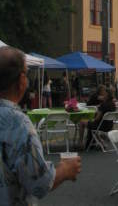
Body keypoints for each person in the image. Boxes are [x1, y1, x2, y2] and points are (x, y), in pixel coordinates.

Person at [0, 46, 81, 205]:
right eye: (27, 73)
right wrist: (65, 170)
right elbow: (39, 184)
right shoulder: (18, 123)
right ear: (22, 80)